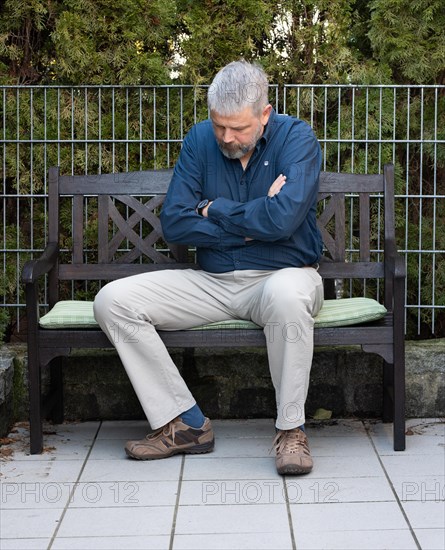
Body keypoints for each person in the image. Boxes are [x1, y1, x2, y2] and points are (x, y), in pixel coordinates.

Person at [93, 60, 324, 475]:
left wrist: (214, 209)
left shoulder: (297, 138)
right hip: (212, 280)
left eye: (238, 129)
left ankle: (291, 430)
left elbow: (285, 220)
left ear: (264, 114)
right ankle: (186, 424)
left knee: (288, 296)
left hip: (284, 277)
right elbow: (176, 223)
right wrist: (254, 223)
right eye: (220, 126)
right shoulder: (200, 140)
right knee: (113, 301)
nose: (226, 137)